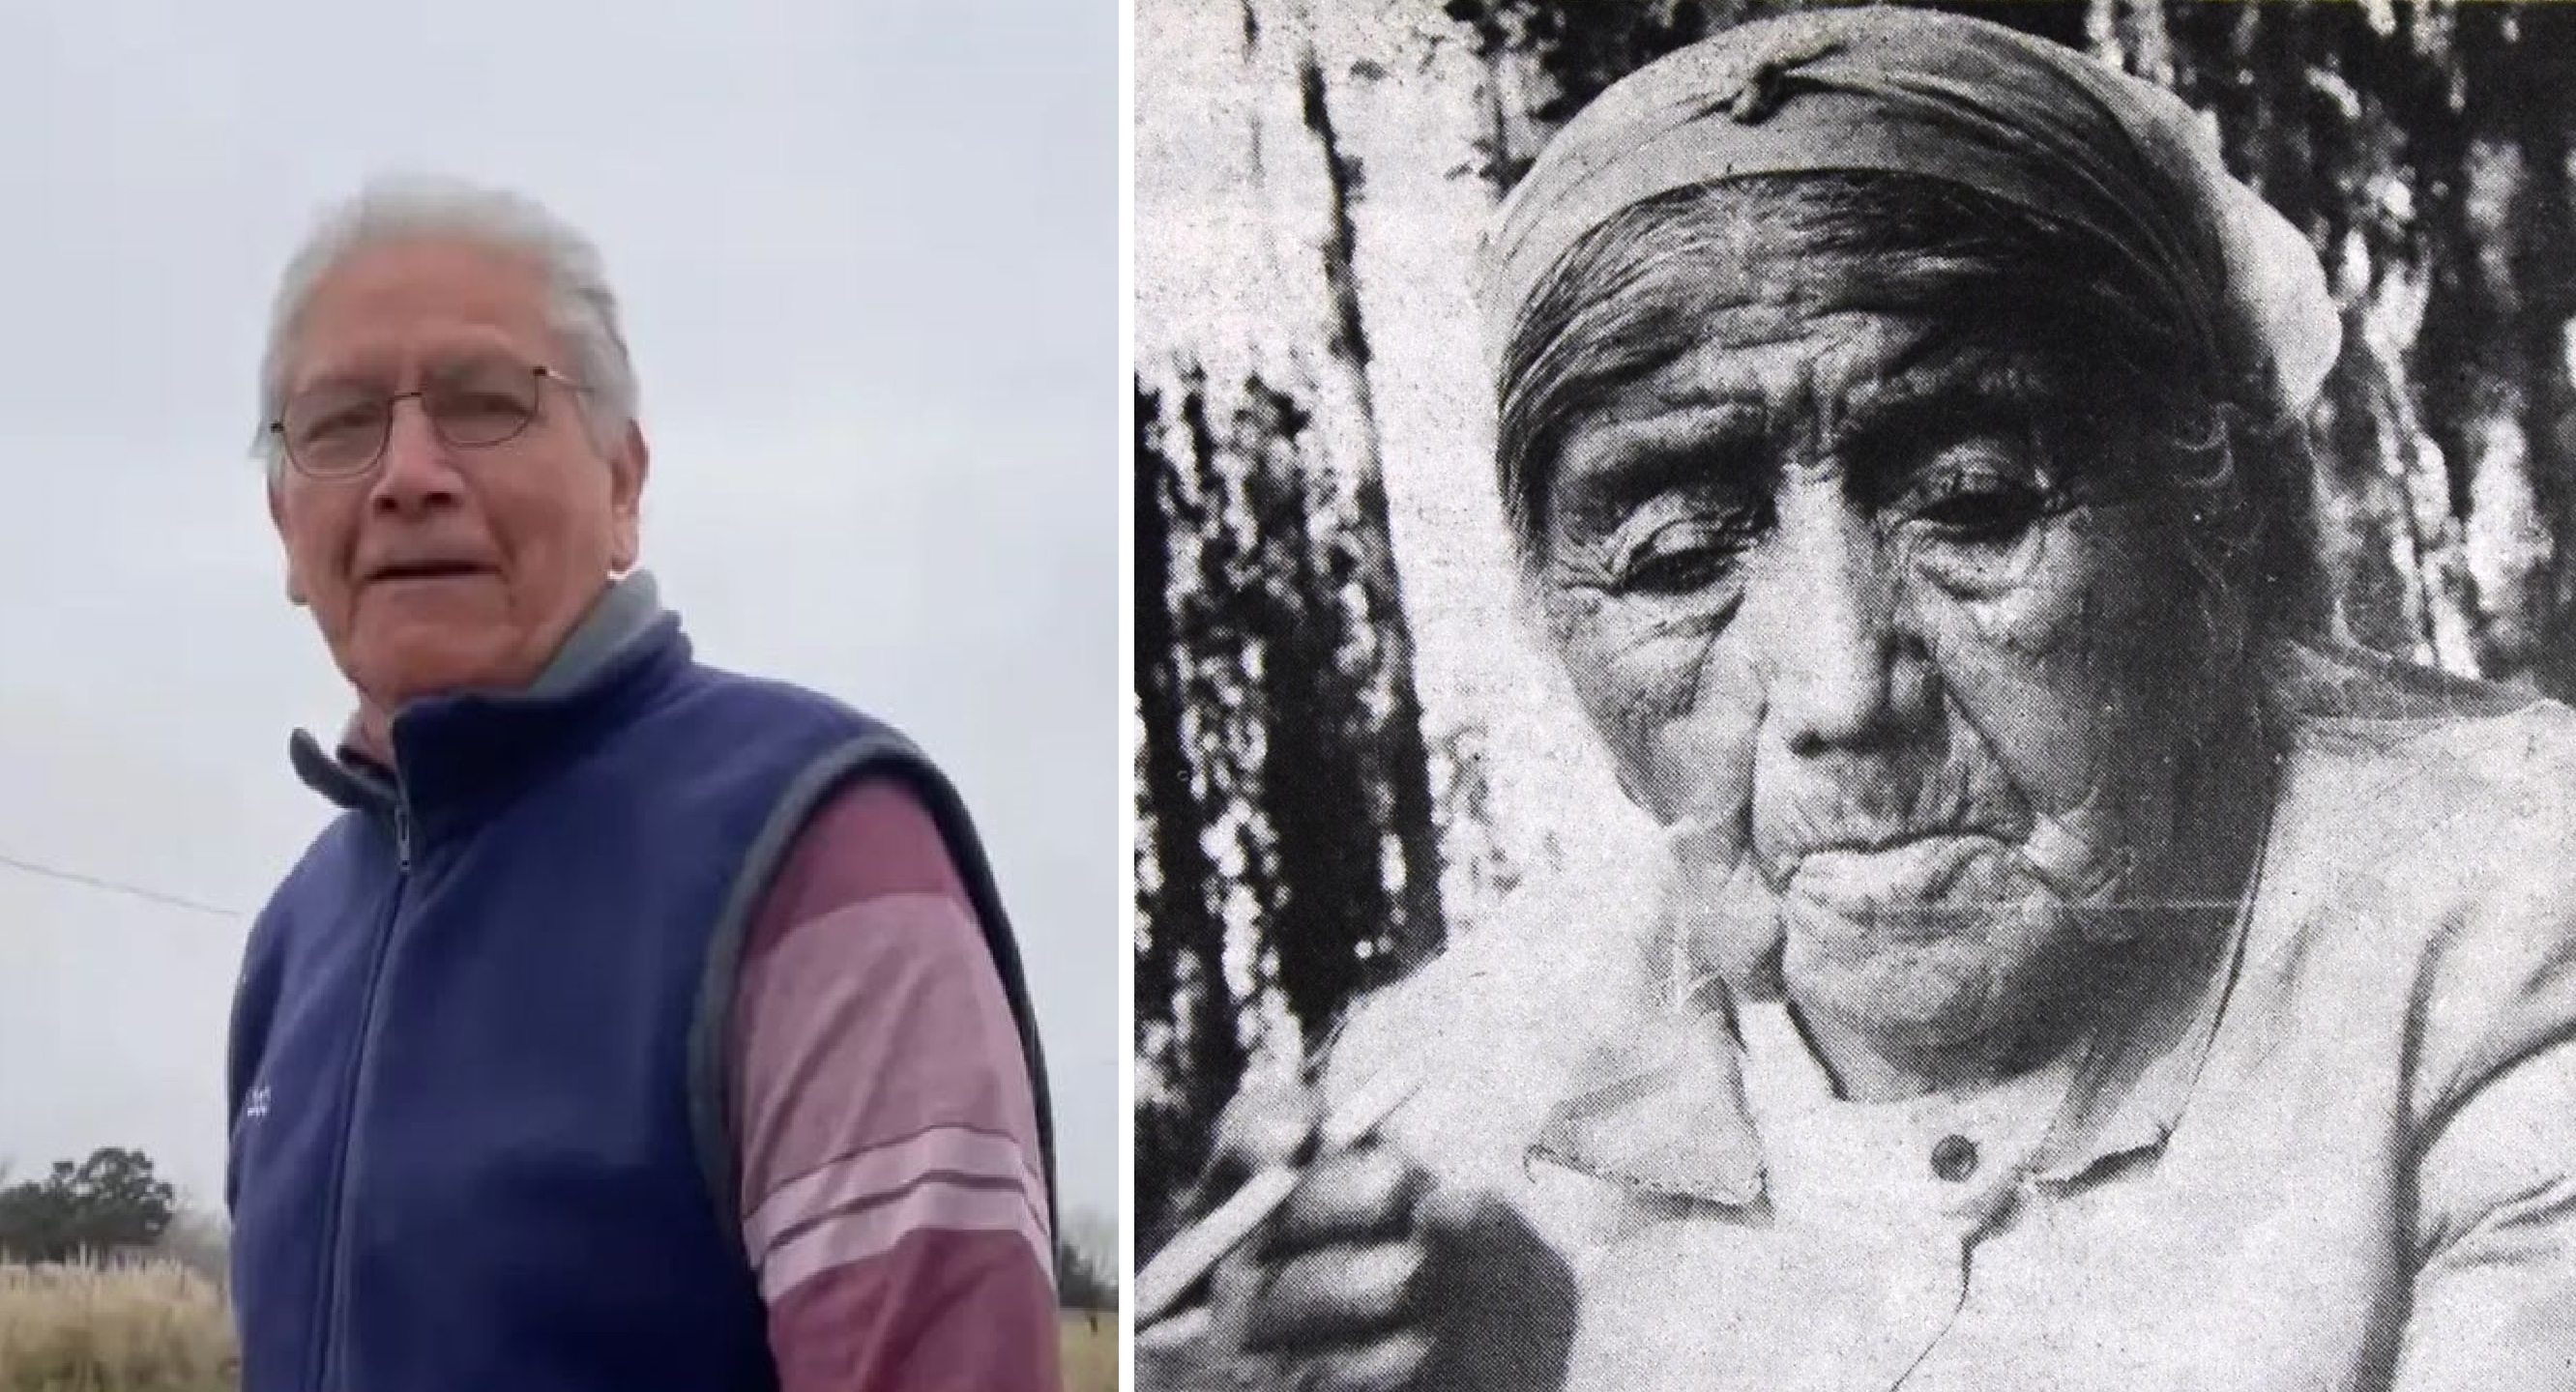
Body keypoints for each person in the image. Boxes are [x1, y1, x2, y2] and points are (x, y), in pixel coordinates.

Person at [1138, 10, 2576, 1390]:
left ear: (2210, 516)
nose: (1840, 692)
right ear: (1555, 627)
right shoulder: (1453, 1101)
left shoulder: (2514, 914)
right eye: (1681, 560)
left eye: (1975, 504)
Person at [223, 175, 1064, 1392]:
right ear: (284, 523)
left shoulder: (815, 852)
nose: (409, 473)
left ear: (623, 486)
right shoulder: (292, 945)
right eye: (342, 423)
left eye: (483, 403)